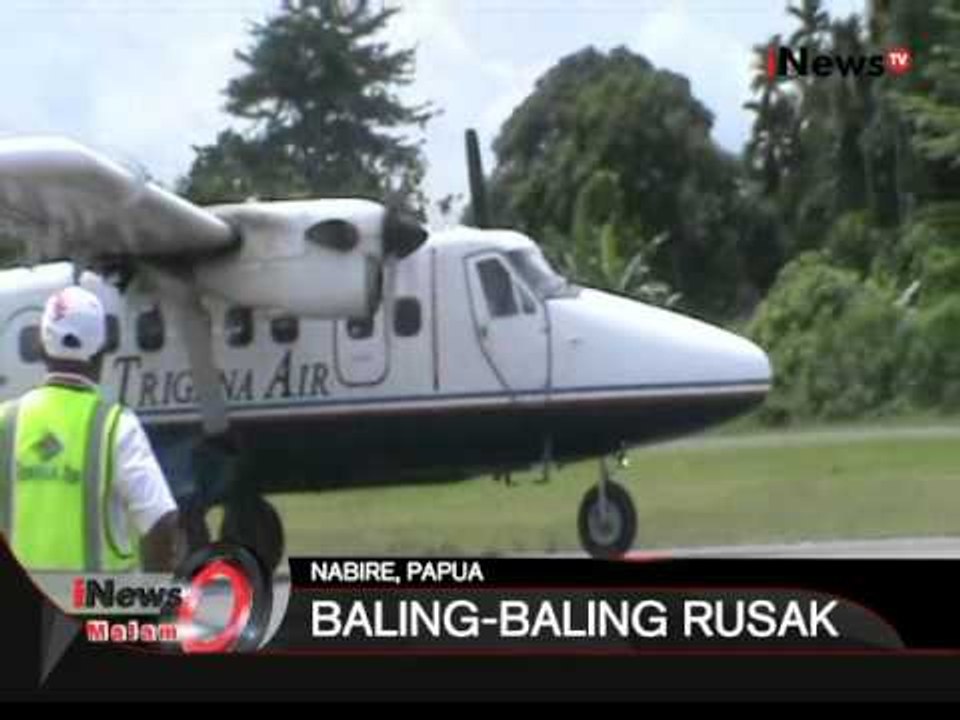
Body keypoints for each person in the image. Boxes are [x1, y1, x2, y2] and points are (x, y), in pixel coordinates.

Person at [0, 286, 182, 572]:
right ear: (101, 350)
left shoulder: (6, 422)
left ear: (41, 345)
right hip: (93, 607)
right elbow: (160, 520)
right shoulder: (116, 426)